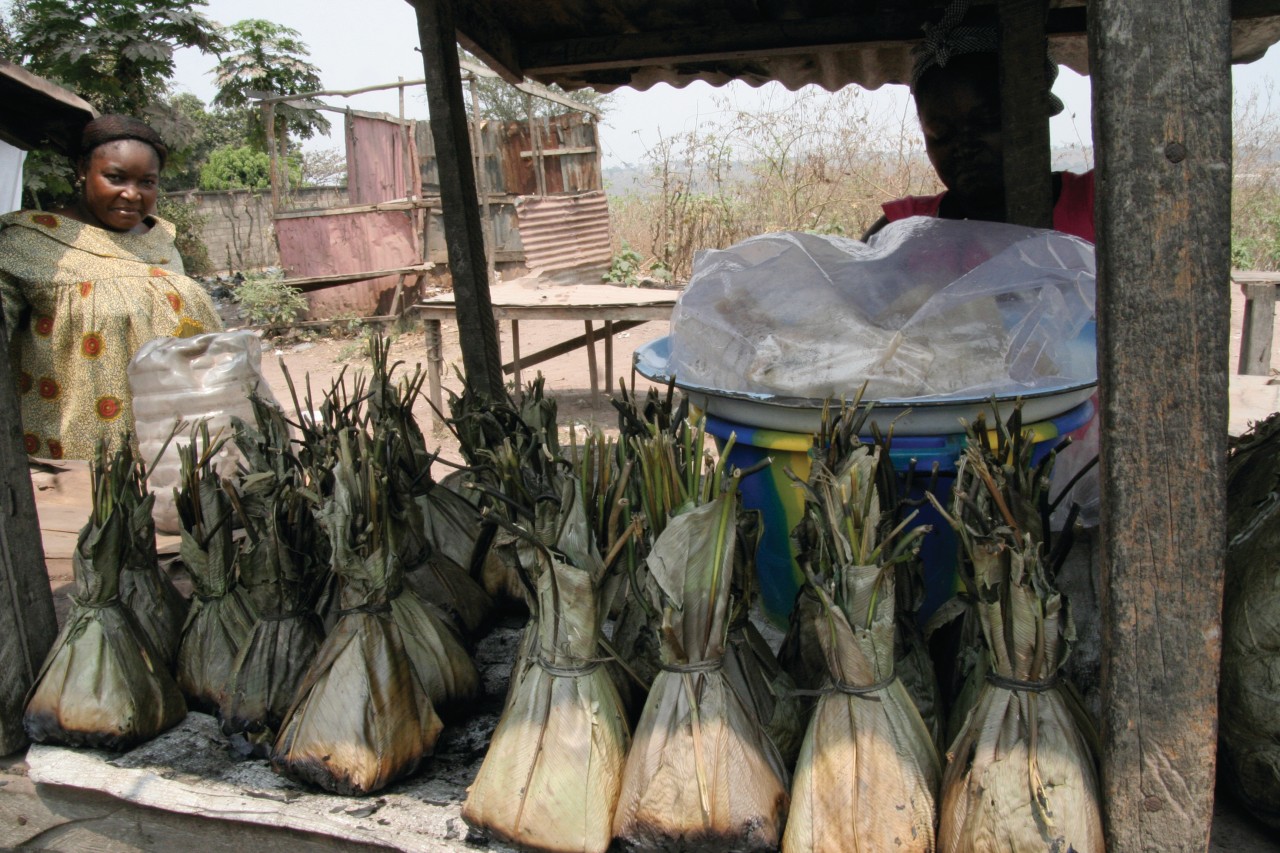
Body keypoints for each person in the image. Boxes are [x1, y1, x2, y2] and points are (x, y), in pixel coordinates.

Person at [0, 114, 223, 460]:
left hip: (176, 453)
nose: (132, 194)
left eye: (147, 182)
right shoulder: (29, 241)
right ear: (82, 170)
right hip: (75, 461)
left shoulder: (161, 239)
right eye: (115, 177)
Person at [864, 6, 1094, 242]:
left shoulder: (1096, 203)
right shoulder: (901, 232)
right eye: (940, 132)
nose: (964, 146)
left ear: (1034, 115)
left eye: (986, 121)